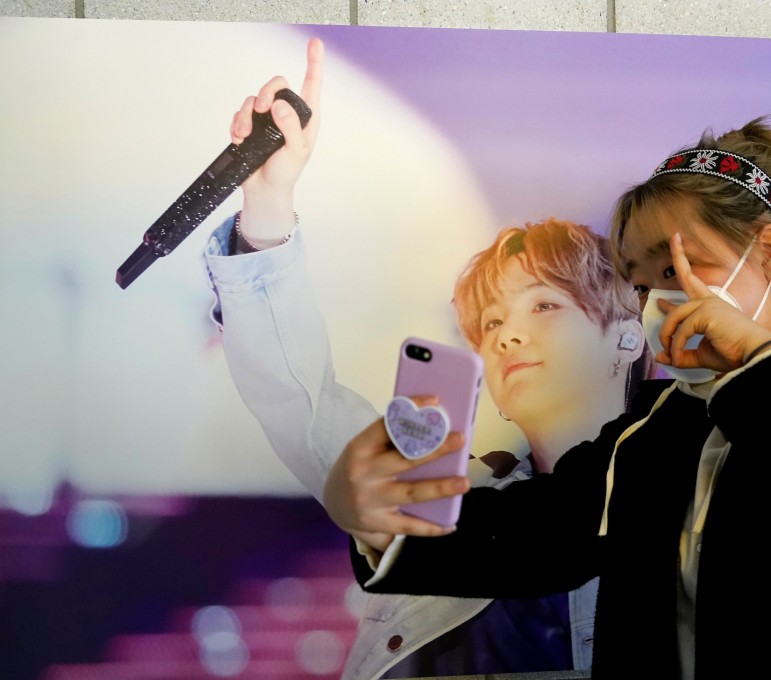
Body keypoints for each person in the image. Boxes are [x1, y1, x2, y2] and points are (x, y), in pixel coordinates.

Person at [329, 117, 771, 678]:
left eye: (681, 264)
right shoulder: (663, 423)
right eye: (638, 278)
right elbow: (538, 536)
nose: (655, 296)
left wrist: (757, 364)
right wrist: (380, 522)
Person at [202, 37, 656, 678]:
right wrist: (268, 204)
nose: (506, 335)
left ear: (629, 334)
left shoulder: (695, 484)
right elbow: (305, 405)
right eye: (490, 321)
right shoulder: (444, 492)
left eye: (544, 307)